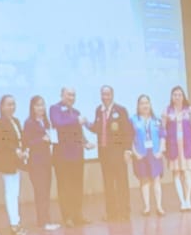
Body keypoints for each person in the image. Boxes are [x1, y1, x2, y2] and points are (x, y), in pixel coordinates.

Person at [85, 85, 131, 221]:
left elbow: (127, 131)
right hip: (104, 154)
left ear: (112, 95)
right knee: (108, 184)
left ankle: (124, 212)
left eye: (108, 94)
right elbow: (97, 128)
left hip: (118, 153)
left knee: (121, 183)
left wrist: (127, 150)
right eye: (103, 94)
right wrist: (86, 124)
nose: (105, 97)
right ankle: (111, 213)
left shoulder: (121, 110)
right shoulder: (99, 111)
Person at [50, 88, 90, 227]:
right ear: (62, 95)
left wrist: (86, 142)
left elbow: (79, 132)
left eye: (73, 95)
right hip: (62, 156)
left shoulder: (76, 112)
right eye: (68, 95)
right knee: (64, 187)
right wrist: (76, 120)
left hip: (77, 154)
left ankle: (78, 215)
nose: (71, 97)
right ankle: (67, 216)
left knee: (77, 186)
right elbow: (59, 123)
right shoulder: (55, 109)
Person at [0, 94, 27, 235]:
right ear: (1, 106)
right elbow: (1, 142)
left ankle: (16, 222)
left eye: (13, 104)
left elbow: (21, 139)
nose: (11, 107)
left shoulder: (16, 121)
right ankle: (14, 224)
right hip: (7, 163)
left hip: (17, 162)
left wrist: (24, 150)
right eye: (8, 104)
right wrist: (15, 150)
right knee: (11, 193)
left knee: (15, 192)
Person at [22, 95, 57, 232]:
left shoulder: (46, 122)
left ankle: (46, 219)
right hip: (36, 162)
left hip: (47, 161)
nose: (41, 108)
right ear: (32, 107)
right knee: (40, 191)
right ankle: (42, 221)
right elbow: (27, 142)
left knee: (46, 190)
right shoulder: (29, 123)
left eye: (42, 105)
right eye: (37, 105)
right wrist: (41, 139)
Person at [164, 86, 191, 212]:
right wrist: (164, 147)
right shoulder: (167, 111)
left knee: (187, 172)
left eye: (179, 94)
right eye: (175, 95)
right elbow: (163, 130)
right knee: (177, 173)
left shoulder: (190, 111)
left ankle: (188, 199)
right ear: (171, 97)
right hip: (173, 147)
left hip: (187, 146)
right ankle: (182, 201)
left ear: (183, 96)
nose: (177, 97)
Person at [130, 94, 167, 215]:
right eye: (142, 103)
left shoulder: (156, 120)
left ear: (150, 104)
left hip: (154, 153)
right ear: (138, 106)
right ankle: (146, 207)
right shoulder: (133, 120)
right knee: (144, 180)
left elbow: (162, 136)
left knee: (156, 179)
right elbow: (129, 138)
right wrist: (135, 153)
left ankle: (159, 207)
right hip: (141, 153)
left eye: (147, 103)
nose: (144, 105)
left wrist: (161, 150)